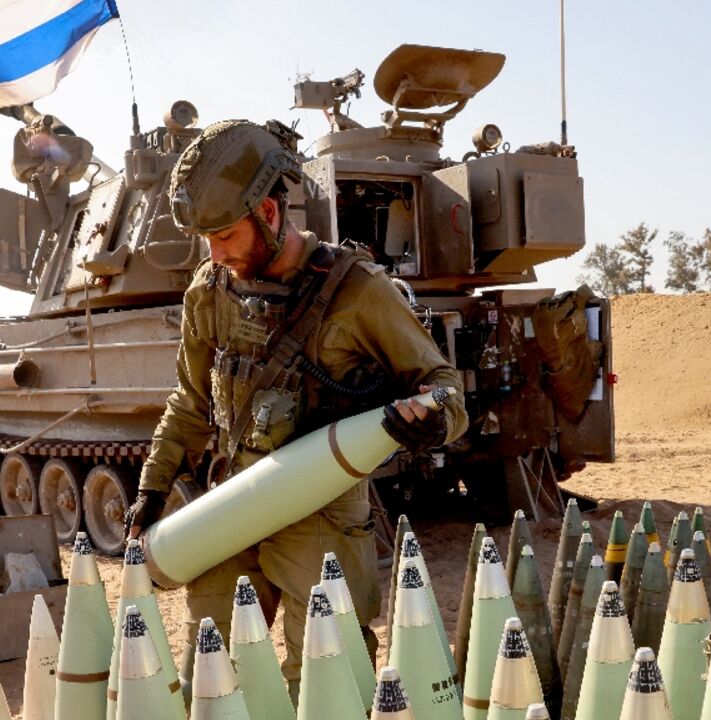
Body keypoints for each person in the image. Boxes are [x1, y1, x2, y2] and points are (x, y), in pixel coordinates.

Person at [123, 119, 468, 694]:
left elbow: (442, 384)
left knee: (329, 680)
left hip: (323, 514)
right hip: (231, 509)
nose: (216, 253)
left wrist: (433, 419)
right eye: (207, 239)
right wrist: (152, 488)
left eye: (227, 234)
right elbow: (188, 401)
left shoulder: (359, 292)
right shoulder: (209, 291)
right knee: (214, 675)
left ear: (270, 212)